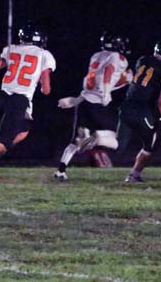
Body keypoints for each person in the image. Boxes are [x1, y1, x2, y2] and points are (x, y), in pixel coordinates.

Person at [0, 23, 56, 186]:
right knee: (3, 141)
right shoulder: (44, 54)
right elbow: (46, 89)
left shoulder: (12, 49)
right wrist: (43, 86)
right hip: (20, 100)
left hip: (5, 97)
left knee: (24, 130)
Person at [54, 32, 133, 180]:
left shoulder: (96, 56)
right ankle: (97, 137)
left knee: (76, 141)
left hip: (84, 101)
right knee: (119, 139)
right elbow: (109, 72)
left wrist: (75, 100)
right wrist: (107, 92)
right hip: (98, 103)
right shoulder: (117, 57)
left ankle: (61, 170)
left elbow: (97, 79)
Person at [116, 39, 161, 183]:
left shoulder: (143, 60)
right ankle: (133, 175)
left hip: (125, 106)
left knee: (117, 145)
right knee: (151, 143)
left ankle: (97, 138)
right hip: (141, 110)